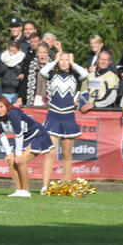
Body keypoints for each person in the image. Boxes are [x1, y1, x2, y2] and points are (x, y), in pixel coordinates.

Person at [39, 45, 88, 193]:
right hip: (53, 116)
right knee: (50, 152)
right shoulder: (52, 75)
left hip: (68, 117)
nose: (64, 62)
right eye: (62, 60)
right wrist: (55, 60)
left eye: (67, 60)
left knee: (67, 155)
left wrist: (72, 63)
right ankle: (45, 186)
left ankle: (66, 185)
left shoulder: (75, 77)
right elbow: (42, 71)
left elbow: (85, 73)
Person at [0, 97, 53, 197]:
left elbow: (19, 134)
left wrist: (18, 154)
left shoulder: (13, 113)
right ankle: (19, 190)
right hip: (24, 138)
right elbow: (2, 136)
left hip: (38, 135)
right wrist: (8, 154)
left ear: (7, 106)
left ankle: (25, 191)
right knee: (10, 160)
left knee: (21, 160)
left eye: (1, 107)